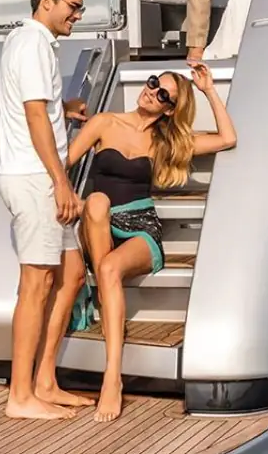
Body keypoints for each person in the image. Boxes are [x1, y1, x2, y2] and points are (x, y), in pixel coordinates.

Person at [66, 62, 237, 420]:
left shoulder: (166, 141)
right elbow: (61, 163)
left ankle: (112, 378)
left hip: (140, 225)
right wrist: (61, 113)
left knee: (109, 268)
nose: (151, 91)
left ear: (169, 109)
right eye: (153, 82)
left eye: (163, 95)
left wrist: (208, 90)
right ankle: (107, 297)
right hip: (99, 221)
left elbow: (227, 139)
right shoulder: (104, 123)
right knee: (96, 202)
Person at [0, 0, 94, 418]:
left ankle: (45, 382)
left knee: (71, 274)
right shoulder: (33, 43)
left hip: (39, 175)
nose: (78, 14)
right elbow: (34, 115)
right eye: (73, 6)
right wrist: (60, 181)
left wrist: (63, 108)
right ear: (47, 1)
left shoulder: (27, 41)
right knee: (35, 285)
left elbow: (40, 109)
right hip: (36, 178)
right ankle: (20, 397)